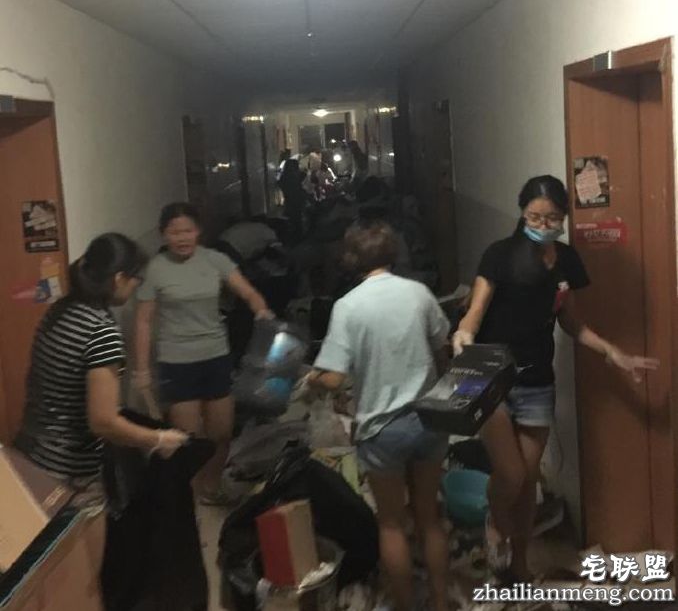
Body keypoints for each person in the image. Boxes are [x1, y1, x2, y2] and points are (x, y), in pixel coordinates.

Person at [454, 175, 659, 582]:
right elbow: (474, 312)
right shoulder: (499, 255)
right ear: (522, 212)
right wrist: (464, 333)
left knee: (529, 480)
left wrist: (612, 352)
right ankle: (495, 524)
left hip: (536, 380)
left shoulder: (566, 260)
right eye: (534, 217)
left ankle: (519, 563)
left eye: (551, 218)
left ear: (563, 217)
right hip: (490, 377)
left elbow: (570, 322)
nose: (542, 225)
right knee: (511, 474)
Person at [307, 221, 450, 611]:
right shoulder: (418, 293)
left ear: (351, 260)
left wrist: (312, 379)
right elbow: (442, 347)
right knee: (430, 518)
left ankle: (404, 605)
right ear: (392, 253)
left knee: (391, 524)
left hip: (382, 429)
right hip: (430, 419)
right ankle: (440, 603)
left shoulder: (348, 306)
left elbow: (335, 378)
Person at [16, 233, 187, 483]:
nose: (136, 286)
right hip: (68, 469)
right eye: (136, 279)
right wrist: (158, 439)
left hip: (28, 453)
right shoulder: (101, 332)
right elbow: (103, 422)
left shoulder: (59, 309)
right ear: (119, 279)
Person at [134, 202, 273, 503]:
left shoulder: (214, 260)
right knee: (188, 436)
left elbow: (247, 291)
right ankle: (191, 491)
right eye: (175, 232)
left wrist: (260, 309)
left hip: (216, 356)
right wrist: (142, 371)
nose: (182, 238)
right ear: (164, 235)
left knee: (221, 433)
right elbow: (143, 321)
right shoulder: (156, 269)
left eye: (188, 231)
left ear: (198, 231)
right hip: (176, 361)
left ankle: (211, 485)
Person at [278, 157, 307, 242]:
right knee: (297, 220)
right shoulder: (296, 176)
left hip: (289, 201)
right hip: (297, 201)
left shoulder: (284, 177)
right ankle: (298, 238)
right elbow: (303, 176)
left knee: (292, 220)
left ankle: (293, 238)